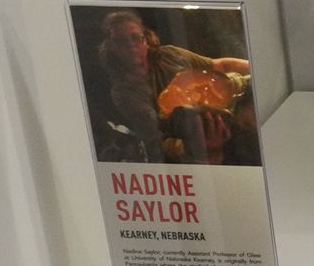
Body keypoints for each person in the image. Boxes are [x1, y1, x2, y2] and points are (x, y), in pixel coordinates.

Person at [94, 10, 251, 164]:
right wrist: (200, 147)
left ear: (146, 39)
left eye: (135, 38)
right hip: (198, 151)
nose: (130, 45)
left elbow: (222, 66)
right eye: (121, 41)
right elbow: (158, 140)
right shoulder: (124, 92)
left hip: (234, 108)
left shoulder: (170, 55)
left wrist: (256, 68)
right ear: (111, 47)